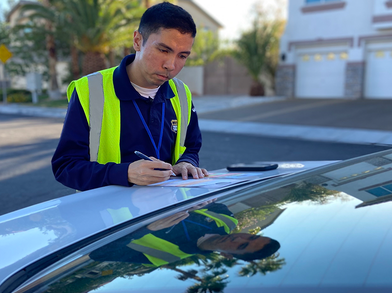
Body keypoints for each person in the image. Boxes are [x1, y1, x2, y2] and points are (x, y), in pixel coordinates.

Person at [51, 2, 209, 191]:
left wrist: (186, 162)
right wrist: (124, 173)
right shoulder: (90, 90)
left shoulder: (181, 92)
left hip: (168, 213)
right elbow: (65, 166)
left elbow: (191, 147)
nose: (171, 65)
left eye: (182, 56)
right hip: (110, 217)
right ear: (137, 41)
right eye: (163, 50)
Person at [89, 202, 281, 266]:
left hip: (98, 213)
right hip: (134, 183)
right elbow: (203, 192)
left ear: (227, 256)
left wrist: (145, 230)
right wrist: (200, 202)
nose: (239, 237)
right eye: (252, 236)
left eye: (242, 246)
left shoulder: (165, 256)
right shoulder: (227, 219)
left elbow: (98, 254)